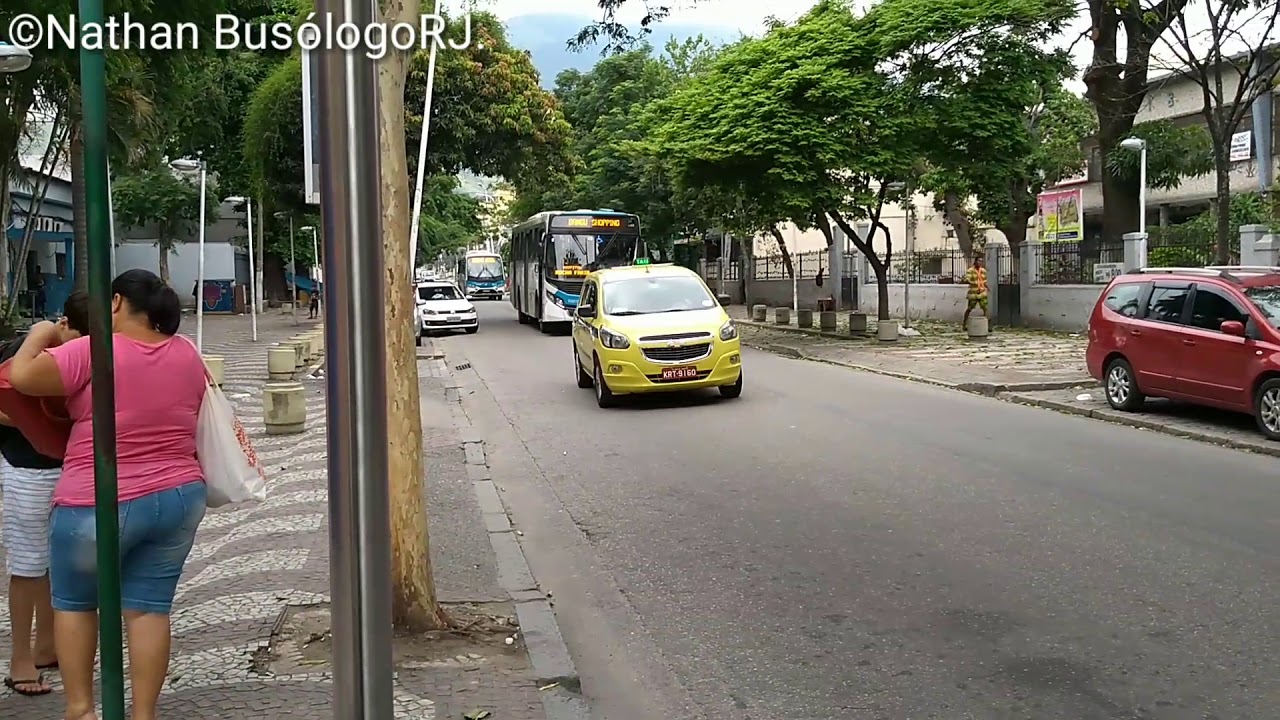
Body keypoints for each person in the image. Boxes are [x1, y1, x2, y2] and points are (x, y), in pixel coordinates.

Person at [10, 269, 208, 720]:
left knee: (77, 606)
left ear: (115, 302)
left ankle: (80, 709)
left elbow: (22, 377)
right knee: (149, 611)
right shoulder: (186, 353)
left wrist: (40, 334)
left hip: (95, 502)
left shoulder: (94, 351)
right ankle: (143, 715)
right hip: (179, 496)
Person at [0, 290, 90, 697]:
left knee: (62, 558)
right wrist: (35, 420)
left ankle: (48, 645)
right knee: (29, 561)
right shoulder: (25, 350)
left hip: (72, 464)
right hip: (28, 467)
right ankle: (20, 657)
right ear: (63, 325)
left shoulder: (89, 350)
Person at [962, 255, 988, 329]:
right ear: (975, 261)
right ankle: (964, 324)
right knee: (969, 308)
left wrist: (986, 286)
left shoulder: (983, 271)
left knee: (985, 308)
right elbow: (967, 279)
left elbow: (985, 280)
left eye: (981, 261)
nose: (980, 262)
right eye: (979, 261)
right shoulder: (970, 270)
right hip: (973, 292)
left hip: (982, 292)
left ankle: (988, 325)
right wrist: (972, 282)